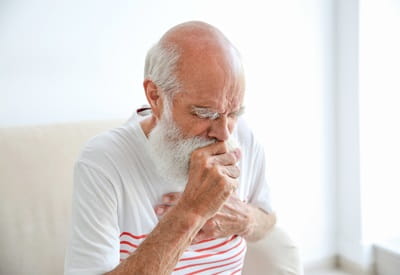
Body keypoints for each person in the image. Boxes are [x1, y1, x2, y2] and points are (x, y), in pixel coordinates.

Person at [65, 21, 284, 274]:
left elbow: (268, 220)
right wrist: (191, 211)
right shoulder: (102, 162)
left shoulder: (243, 136)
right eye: (204, 113)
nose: (224, 133)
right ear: (155, 97)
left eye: (234, 112)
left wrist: (244, 218)